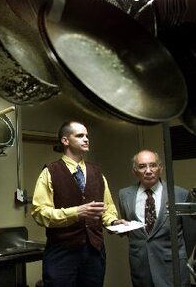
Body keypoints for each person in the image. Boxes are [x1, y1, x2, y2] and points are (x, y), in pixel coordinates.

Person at [31, 121, 127, 287]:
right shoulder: (50, 172)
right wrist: (76, 212)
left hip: (94, 252)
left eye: (87, 136)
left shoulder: (97, 173)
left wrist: (114, 221)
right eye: (80, 135)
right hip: (62, 252)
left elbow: (107, 207)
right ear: (65, 140)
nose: (86, 139)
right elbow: (40, 212)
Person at [118, 149, 191, 287]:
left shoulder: (180, 194)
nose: (148, 170)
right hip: (141, 267)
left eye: (153, 165)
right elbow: (132, 231)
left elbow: (190, 234)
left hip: (172, 266)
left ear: (160, 169)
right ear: (134, 171)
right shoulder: (124, 195)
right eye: (142, 166)